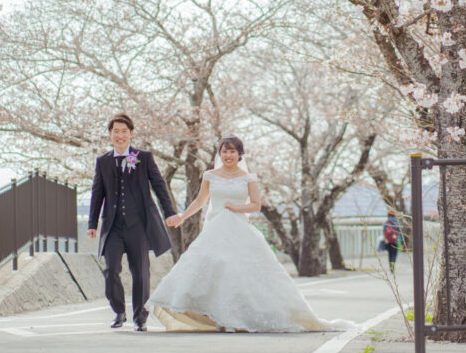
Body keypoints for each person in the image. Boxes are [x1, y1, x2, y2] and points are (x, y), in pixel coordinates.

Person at [147, 136, 352, 333]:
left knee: (239, 271)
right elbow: (200, 201)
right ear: (220, 153)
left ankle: (238, 318)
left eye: (233, 151)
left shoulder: (248, 178)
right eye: (225, 151)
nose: (228, 155)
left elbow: (256, 204)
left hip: (239, 228)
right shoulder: (210, 175)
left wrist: (236, 207)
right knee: (216, 268)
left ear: (240, 154)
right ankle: (219, 317)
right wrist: (182, 217)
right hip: (216, 229)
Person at [87, 113, 177, 331]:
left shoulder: (143, 157)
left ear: (131, 133)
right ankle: (119, 311)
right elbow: (97, 192)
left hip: (139, 225)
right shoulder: (103, 161)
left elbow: (159, 185)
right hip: (113, 226)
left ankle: (140, 317)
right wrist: (92, 223)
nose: (120, 135)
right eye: (115, 131)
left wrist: (169, 212)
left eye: (124, 131)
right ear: (110, 134)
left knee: (141, 272)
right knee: (111, 270)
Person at [382, 208, 402, 274]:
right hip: (394, 241)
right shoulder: (397, 222)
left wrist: (385, 240)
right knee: (394, 254)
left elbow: (384, 232)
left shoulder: (386, 222)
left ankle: (390, 266)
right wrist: (402, 242)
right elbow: (400, 233)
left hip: (388, 241)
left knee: (389, 254)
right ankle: (392, 265)